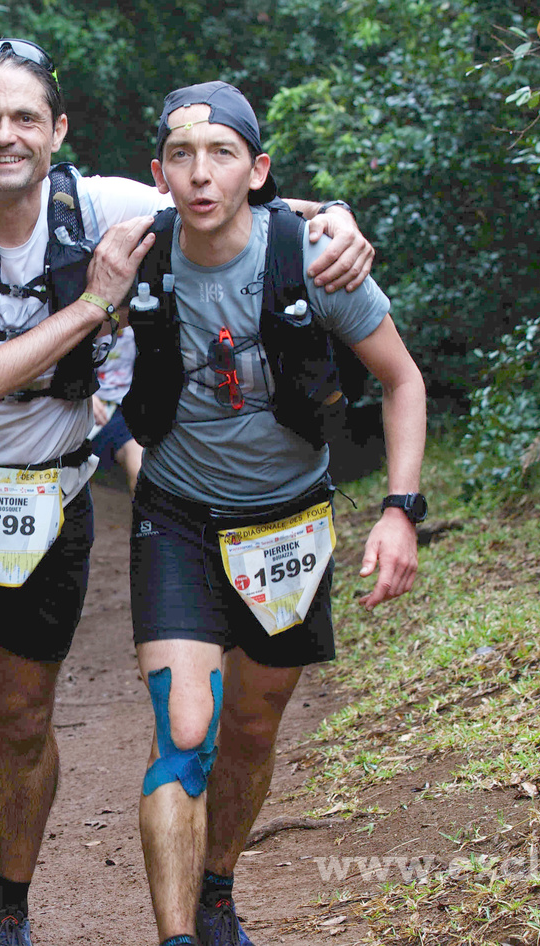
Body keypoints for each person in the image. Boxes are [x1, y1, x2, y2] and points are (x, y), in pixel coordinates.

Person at [0, 39, 377, 946]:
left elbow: (227, 203)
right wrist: (94, 305)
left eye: (25, 117)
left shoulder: (101, 204)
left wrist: (333, 218)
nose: (5, 135)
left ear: (57, 131)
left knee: (21, 717)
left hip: (48, 495)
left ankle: (11, 905)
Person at [123, 81, 427, 946]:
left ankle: (217, 890)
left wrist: (400, 510)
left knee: (252, 729)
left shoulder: (314, 259)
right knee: (187, 727)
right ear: (158, 173)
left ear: (256, 170)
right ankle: (177, 934)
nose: (200, 173)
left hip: (288, 524)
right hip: (178, 515)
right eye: (181, 156)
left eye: (221, 154)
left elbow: (403, 382)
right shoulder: (137, 250)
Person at [88, 326, 144, 494]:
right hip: (85, 407)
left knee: (139, 468)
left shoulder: (137, 328)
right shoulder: (91, 324)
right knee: (77, 479)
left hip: (122, 411)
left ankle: (141, 520)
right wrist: (86, 394)